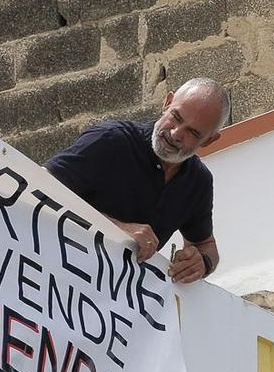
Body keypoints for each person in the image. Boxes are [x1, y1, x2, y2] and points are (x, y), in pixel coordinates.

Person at [46, 78, 228, 285]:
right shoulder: (110, 140)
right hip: (53, 281)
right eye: (175, 117)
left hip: (109, 304)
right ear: (167, 102)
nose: (176, 134)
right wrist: (114, 229)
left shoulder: (198, 181)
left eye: (193, 132)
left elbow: (206, 245)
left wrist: (201, 263)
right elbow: (38, 185)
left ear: (209, 140)